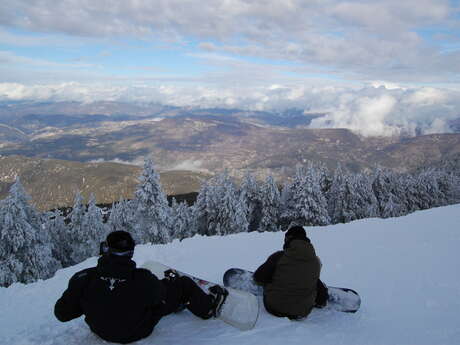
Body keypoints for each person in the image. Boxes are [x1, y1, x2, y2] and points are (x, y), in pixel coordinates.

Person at [54, 231, 227, 344]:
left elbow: (62, 314)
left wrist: (92, 299)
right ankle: (208, 308)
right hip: (136, 332)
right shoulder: (143, 279)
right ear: (131, 253)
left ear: (105, 250)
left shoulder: (83, 277)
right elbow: (159, 298)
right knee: (182, 285)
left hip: (100, 330)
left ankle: (179, 302)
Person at [253, 226, 328, 320]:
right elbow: (321, 298)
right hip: (302, 312)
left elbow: (258, 278)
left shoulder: (279, 257)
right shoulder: (315, 262)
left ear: (288, 239)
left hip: (275, 307)